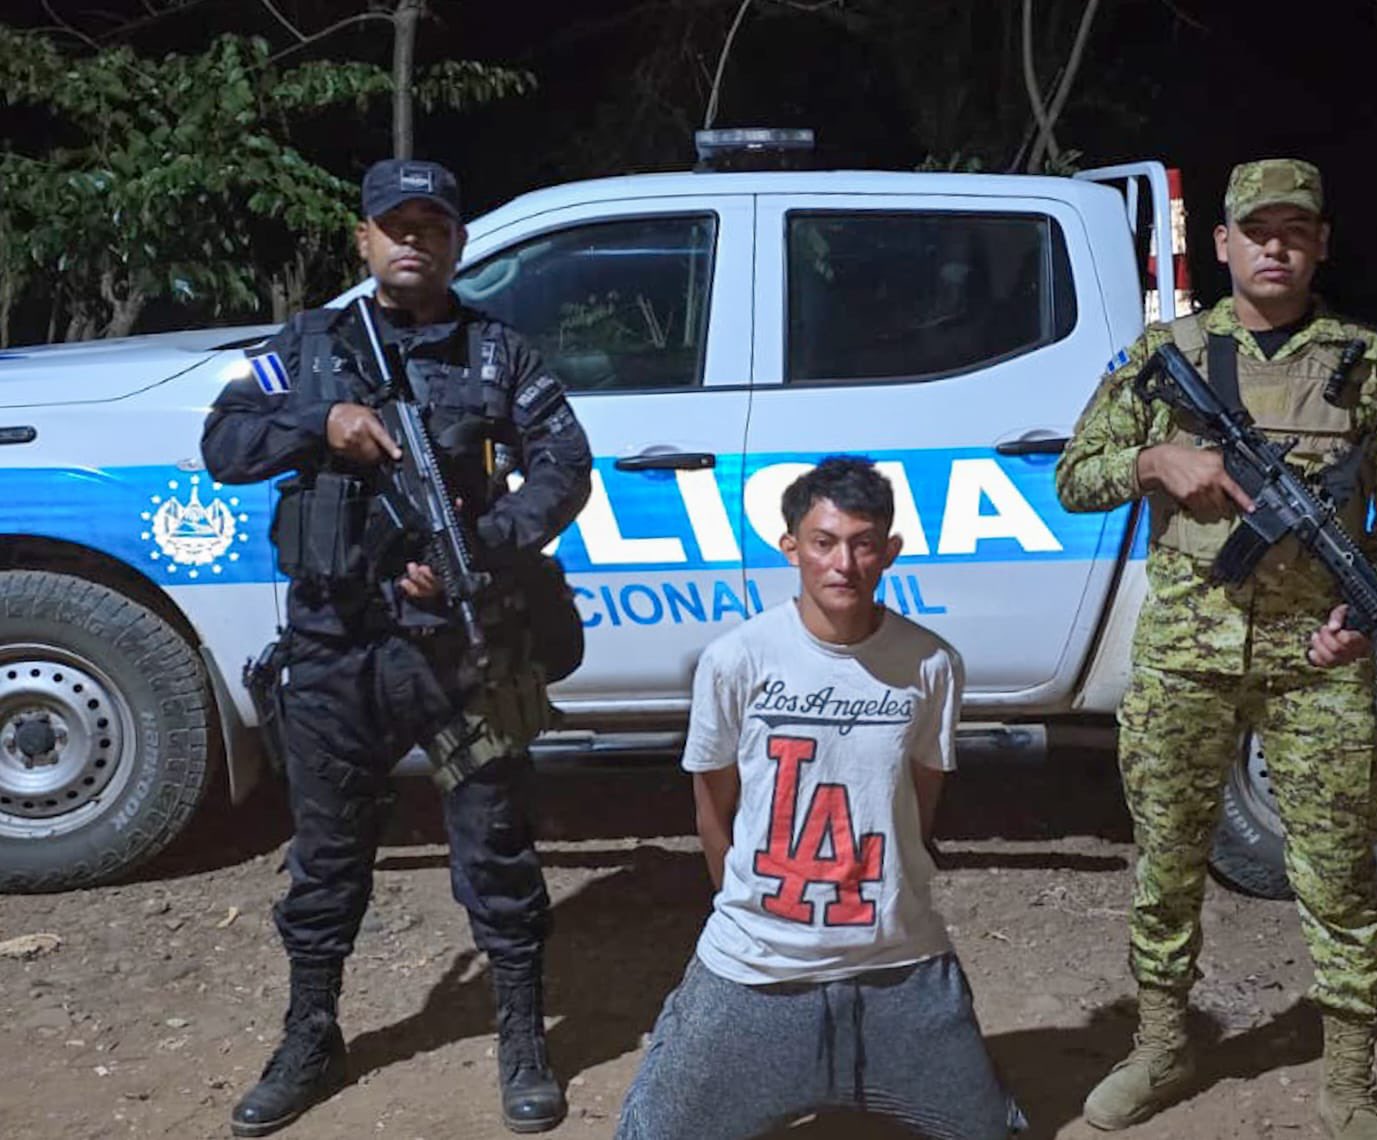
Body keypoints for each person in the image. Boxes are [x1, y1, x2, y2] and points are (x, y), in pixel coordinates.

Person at [202, 158, 592, 1137]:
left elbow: (566, 464)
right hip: (334, 649)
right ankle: (311, 1035)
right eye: (395, 224)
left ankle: (522, 1033)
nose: (413, 240)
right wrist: (322, 422)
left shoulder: (498, 354)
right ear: (364, 240)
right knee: (326, 857)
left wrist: (483, 549)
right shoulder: (305, 347)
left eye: (432, 225)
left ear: (456, 242)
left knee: (495, 847)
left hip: (462, 653)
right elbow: (223, 440)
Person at [1056, 159, 1377, 1140]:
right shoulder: (1167, 354)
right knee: (1167, 861)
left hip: (1317, 664)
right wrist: (1155, 459)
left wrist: (1363, 614)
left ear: (1321, 245)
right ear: (1222, 243)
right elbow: (1074, 477)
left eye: (1295, 231)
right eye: (1257, 231)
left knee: (1339, 873)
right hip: (1185, 656)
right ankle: (1160, 1045)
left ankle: (1347, 1081)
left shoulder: (1369, 365)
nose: (1276, 247)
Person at [614, 457, 1026, 1140]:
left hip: (896, 953)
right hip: (758, 958)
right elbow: (713, 809)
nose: (844, 564)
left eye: (864, 544)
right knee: (652, 1132)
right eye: (824, 542)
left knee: (988, 1131)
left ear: (890, 551)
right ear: (791, 548)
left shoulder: (930, 663)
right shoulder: (736, 659)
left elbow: (919, 803)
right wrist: (752, 910)